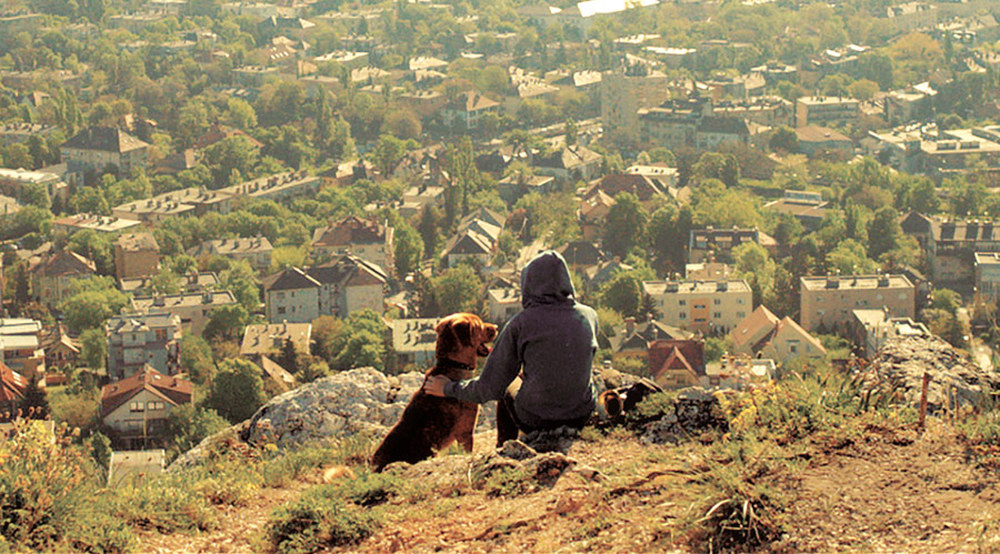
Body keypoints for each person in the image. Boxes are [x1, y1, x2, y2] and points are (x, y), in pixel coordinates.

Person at [423, 250, 599, 446]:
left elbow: (490, 388)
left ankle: (506, 449)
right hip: (581, 416)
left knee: (507, 385)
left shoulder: (521, 324)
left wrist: (447, 388)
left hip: (537, 420)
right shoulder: (589, 316)